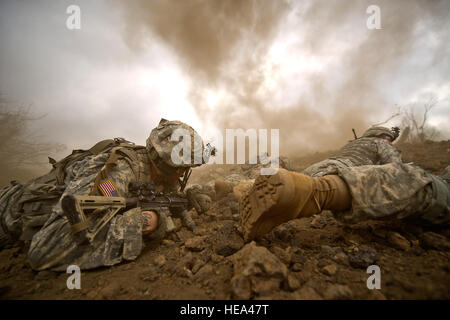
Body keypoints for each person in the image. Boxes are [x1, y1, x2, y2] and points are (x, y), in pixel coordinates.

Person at [0, 119, 208, 271]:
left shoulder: (156, 172)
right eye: (179, 168)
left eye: (187, 168)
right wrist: (144, 222)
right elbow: (44, 250)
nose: (182, 174)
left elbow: (161, 195)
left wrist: (187, 196)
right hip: (7, 212)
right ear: (159, 160)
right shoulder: (117, 171)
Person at [239, 126, 449, 242]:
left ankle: (245, 185)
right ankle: (310, 195)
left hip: (323, 167)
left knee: (297, 180)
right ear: (384, 137)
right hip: (347, 170)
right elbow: (393, 166)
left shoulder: (356, 143)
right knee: (412, 178)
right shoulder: (380, 143)